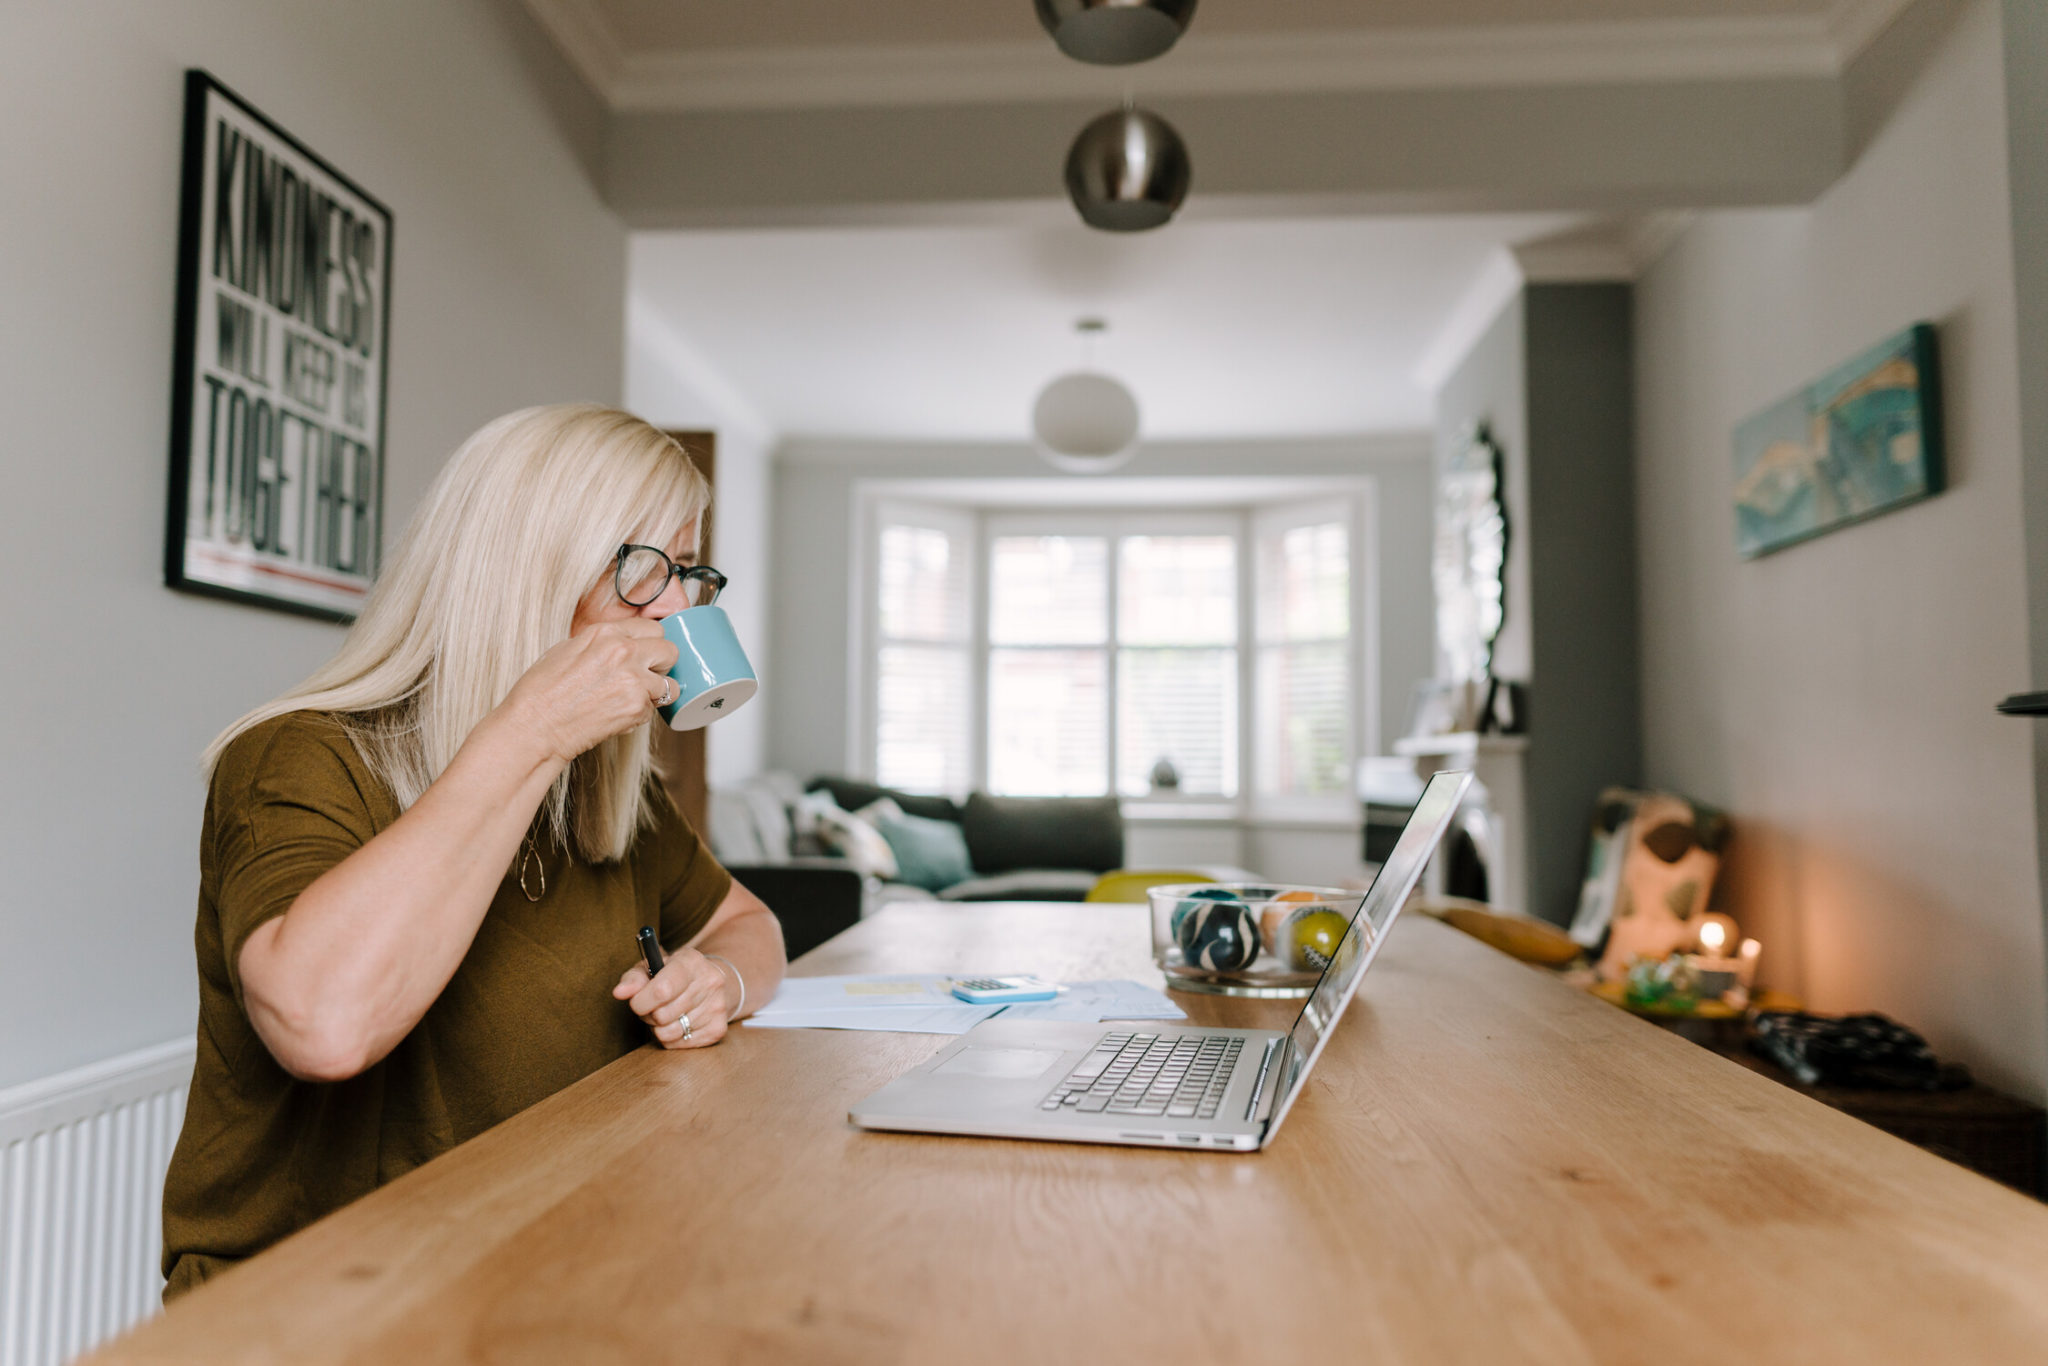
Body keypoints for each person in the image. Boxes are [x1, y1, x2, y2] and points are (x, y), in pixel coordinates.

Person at [160, 404, 786, 1299]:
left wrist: (717, 983)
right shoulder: (300, 757)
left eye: (691, 572)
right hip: (313, 1303)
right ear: (530, 570)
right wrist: (527, 732)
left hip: (537, 1264)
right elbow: (323, 1027)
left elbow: (750, 926)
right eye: (649, 568)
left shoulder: (607, 785)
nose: (679, 605)